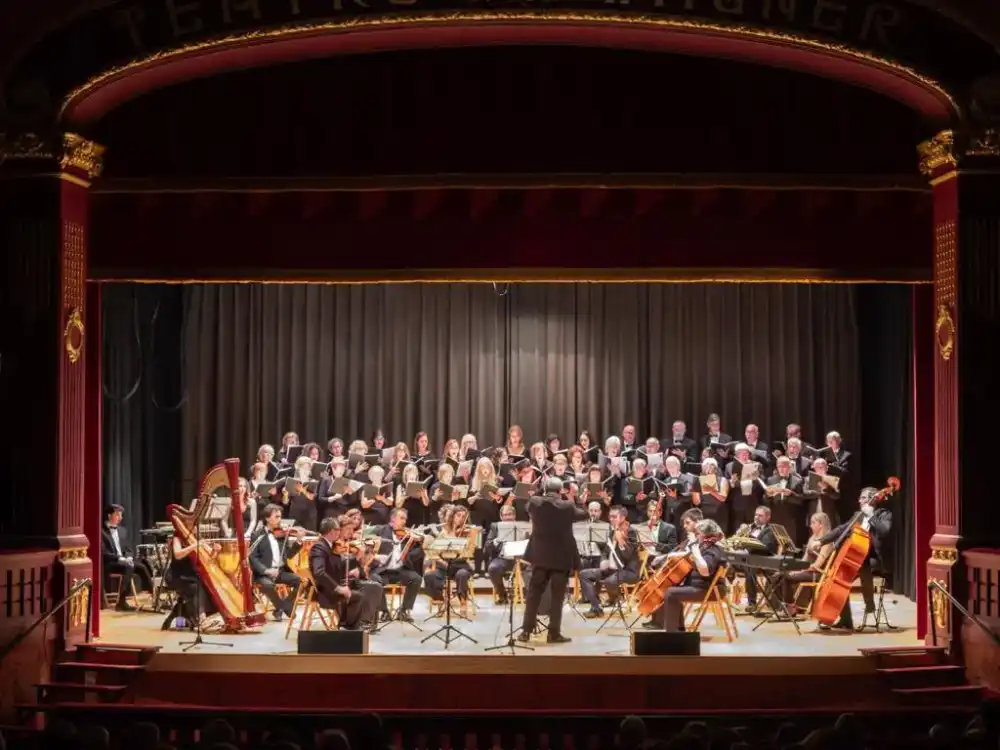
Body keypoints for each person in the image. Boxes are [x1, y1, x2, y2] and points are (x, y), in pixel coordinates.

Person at [517, 477, 587, 644]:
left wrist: (538, 492)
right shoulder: (568, 506)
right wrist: (579, 501)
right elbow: (583, 515)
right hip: (561, 558)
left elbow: (528, 506)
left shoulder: (534, 502)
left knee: (533, 595)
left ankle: (525, 632)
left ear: (544, 489)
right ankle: (553, 634)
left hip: (540, 557)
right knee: (557, 597)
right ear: (560, 491)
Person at [816, 487, 892, 630]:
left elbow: (884, 531)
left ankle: (868, 604)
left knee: (854, 569)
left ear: (873, 499)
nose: (860, 500)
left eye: (863, 498)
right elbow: (841, 529)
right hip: (855, 557)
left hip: (873, 558)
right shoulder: (858, 515)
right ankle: (845, 619)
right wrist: (821, 541)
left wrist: (872, 517)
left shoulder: (884, 514)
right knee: (840, 579)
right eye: (860, 498)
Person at [645, 519, 727, 631]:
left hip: (708, 590)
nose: (696, 536)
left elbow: (705, 571)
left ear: (705, 534)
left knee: (671, 593)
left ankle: (672, 633)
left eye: (697, 533)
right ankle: (678, 630)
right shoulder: (706, 546)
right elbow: (690, 557)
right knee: (671, 589)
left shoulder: (713, 550)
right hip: (702, 587)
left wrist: (696, 553)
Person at [309, 517, 379, 630]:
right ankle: (347, 627)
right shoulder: (319, 547)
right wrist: (338, 588)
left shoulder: (327, 545)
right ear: (332, 531)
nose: (339, 532)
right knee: (358, 596)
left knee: (371, 588)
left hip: (333, 584)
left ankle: (356, 625)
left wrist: (356, 559)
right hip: (325, 590)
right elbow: (319, 573)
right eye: (338, 530)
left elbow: (338, 565)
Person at [579, 505, 639, 618]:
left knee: (609, 581)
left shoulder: (631, 531)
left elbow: (628, 556)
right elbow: (605, 551)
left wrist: (621, 541)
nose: (611, 519)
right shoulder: (612, 531)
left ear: (622, 518)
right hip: (611, 569)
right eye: (610, 516)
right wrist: (603, 560)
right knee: (584, 574)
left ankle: (615, 599)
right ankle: (596, 608)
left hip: (627, 570)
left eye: (614, 517)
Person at [368, 508, 424, 622]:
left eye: (405, 519)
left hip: (400, 570)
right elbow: (366, 535)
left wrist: (418, 543)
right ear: (393, 518)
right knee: (374, 579)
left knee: (416, 579)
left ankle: (404, 611)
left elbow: (419, 553)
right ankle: (384, 611)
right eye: (401, 518)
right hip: (383, 571)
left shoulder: (408, 536)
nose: (404, 522)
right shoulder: (381, 530)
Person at [248, 504, 301, 621]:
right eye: (276, 517)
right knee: (267, 585)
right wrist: (266, 570)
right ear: (267, 518)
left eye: (280, 517)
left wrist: (298, 541)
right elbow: (252, 557)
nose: (280, 519)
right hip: (264, 574)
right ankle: (286, 608)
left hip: (280, 572)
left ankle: (280, 608)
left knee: (301, 582)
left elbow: (289, 555)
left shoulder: (282, 534)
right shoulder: (257, 535)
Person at [100, 504, 153, 610]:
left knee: (142, 566)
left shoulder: (122, 530)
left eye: (121, 515)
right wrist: (119, 558)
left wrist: (128, 557)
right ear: (110, 516)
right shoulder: (101, 531)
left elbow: (128, 549)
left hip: (124, 561)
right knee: (129, 567)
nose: (120, 518)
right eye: (118, 515)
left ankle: (153, 595)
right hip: (110, 562)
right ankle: (121, 602)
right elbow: (103, 553)